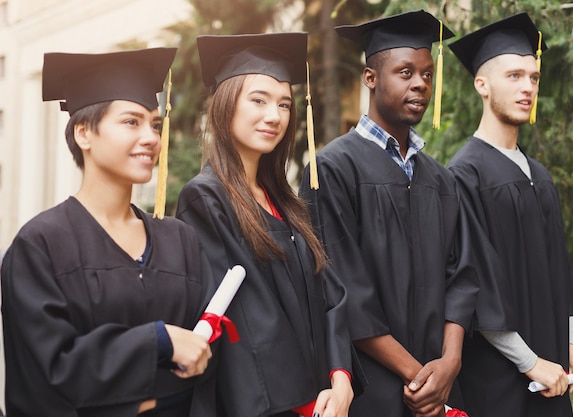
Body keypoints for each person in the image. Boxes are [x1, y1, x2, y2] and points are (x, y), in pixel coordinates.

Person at [1, 48, 215, 417]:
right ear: (84, 133)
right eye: (131, 122)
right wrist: (158, 342)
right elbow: (42, 376)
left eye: (154, 124)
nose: (150, 137)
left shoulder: (179, 240)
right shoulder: (41, 245)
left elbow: (207, 355)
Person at [299, 10, 480, 417]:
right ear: (370, 78)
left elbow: (463, 277)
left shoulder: (441, 179)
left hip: (442, 383)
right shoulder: (332, 169)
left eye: (428, 74)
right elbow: (343, 289)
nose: (420, 83)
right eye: (405, 72)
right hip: (373, 390)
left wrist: (449, 364)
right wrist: (422, 379)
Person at [176, 32, 360, 417]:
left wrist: (340, 377)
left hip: (324, 400)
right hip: (269, 405)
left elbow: (332, 294)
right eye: (258, 100)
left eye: (284, 105)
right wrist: (306, 404)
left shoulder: (289, 204)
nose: (274, 116)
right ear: (226, 105)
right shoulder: (206, 199)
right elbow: (250, 316)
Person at [446, 12, 573, 417]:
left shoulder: (539, 175)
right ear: (482, 84)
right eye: (514, 76)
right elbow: (474, 285)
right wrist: (530, 362)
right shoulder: (465, 174)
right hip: (498, 384)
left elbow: (558, 272)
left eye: (533, 77)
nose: (527, 87)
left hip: (553, 376)